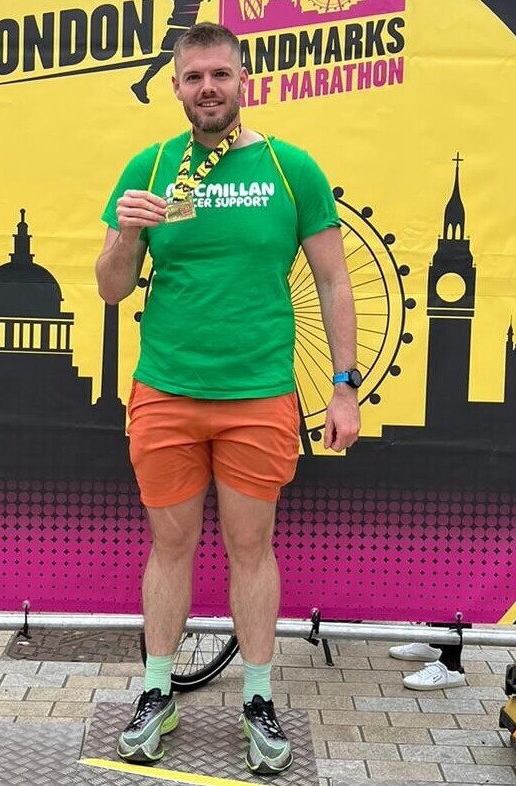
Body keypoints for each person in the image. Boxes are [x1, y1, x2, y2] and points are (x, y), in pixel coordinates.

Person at [96, 22, 360, 775]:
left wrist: (343, 387)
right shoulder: (149, 167)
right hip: (166, 393)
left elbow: (335, 281)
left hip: (258, 395)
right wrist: (121, 235)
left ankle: (256, 697)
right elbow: (111, 290)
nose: (207, 88)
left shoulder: (290, 167)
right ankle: (156, 692)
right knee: (170, 545)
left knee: (251, 548)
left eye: (220, 74)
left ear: (244, 81)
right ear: (175, 88)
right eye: (193, 77)